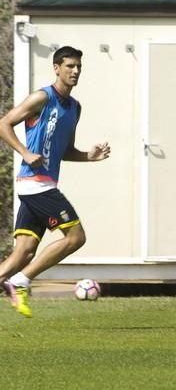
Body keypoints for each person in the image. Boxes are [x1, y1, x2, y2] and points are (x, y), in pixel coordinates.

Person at [0, 46, 110, 317]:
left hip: (42, 185)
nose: (75, 71)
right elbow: (4, 123)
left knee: (23, 252)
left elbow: (66, 150)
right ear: (56, 68)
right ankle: (20, 282)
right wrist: (25, 152)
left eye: (79, 67)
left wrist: (89, 156)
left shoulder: (74, 108)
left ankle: (15, 275)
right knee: (76, 237)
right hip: (35, 183)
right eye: (70, 66)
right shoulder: (42, 97)